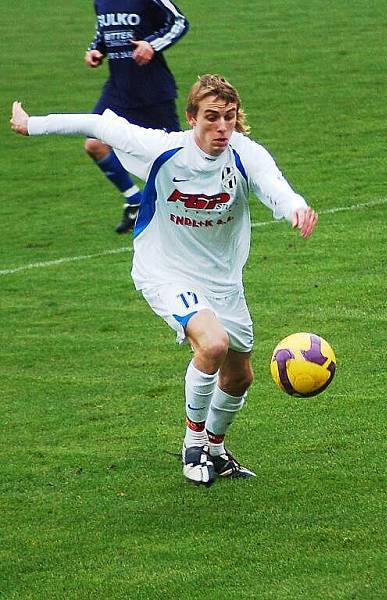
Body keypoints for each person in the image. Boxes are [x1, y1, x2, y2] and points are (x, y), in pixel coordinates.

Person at [11, 74, 319, 484]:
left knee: (240, 375)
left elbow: (273, 185)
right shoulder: (164, 150)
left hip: (223, 281)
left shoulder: (245, 154)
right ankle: (193, 444)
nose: (222, 127)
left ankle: (216, 450)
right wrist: (32, 124)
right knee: (212, 343)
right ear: (192, 117)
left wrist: (295, 207)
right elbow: (100, 126)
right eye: (211, 117)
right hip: (165, 270)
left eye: (229, 117)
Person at [85, 0, 189, 233]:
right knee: (94, 144)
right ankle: (136, 201)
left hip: (152, 91)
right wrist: (95, 49)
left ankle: (195, 211)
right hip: (118, 91)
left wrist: (151, 44)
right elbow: (104, 33)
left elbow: (180, 22)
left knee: (175, 160)